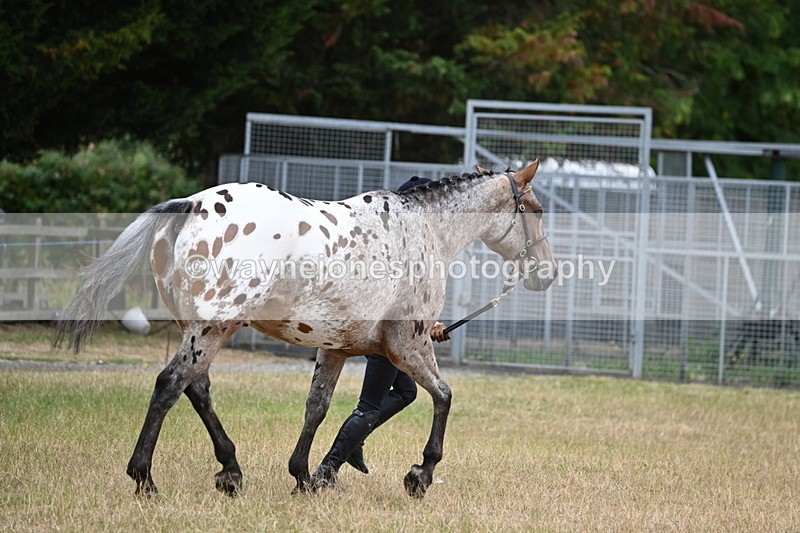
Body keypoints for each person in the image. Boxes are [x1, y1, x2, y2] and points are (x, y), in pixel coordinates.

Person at [314, 176, 451, 483]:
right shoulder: (405, 250)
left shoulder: (395, 246)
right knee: (369, 406)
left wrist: (432, 326)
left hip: (385, 332)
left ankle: (355, 442)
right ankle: (327, 470)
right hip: (387, 338)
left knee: (406, 391)